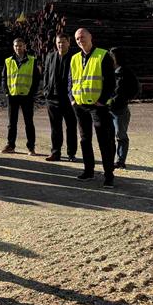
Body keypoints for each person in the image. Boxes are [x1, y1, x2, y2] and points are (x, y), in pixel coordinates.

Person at [69, 28, 117, 188]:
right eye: (77, 38)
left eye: (82, 37)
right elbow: (71, 81)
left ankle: (109, 175)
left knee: (104, 141)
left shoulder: (103, 56)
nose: (80, 40)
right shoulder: (75, 58)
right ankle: (88, 171)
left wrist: (102, 101)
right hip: (80, 106)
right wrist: (72, 99)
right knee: (84, 140)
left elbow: (111, 81)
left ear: (91, 37)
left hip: (98, 108)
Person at [1, 38, 40, 156]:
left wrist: (32, 93)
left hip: (27, 96)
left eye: (20, 45)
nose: (18, 48)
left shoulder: (32, 61)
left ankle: (31, 147)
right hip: (12, 96)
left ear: (25, 46)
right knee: (12, 122)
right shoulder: (8, 61)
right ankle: (10, 145)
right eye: (16, 46)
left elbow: (36, 79)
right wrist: (7, 92)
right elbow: (4, 78)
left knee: (29, 122)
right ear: (13, 47)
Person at [43, 33, 77, 162]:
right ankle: (55, 152)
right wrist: (46, 91)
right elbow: (46, 74)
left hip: (69, 99)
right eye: (58, 42)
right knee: (55, 127)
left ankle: (71, 153)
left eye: (63, 42)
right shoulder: (50, 56)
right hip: (52, 98)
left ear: (69, 43)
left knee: (71, 126)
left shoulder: (75, 57)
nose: (60, 44)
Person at [108, 47, 140, 169]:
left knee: (120, 135)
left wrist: (122, 99)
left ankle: (120, 160)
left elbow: (135, 89)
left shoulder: (126, 73)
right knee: (109, 136)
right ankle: (111, 159)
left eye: (112, 57)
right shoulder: (108, 71)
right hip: (107, 108)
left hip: (119, 110)